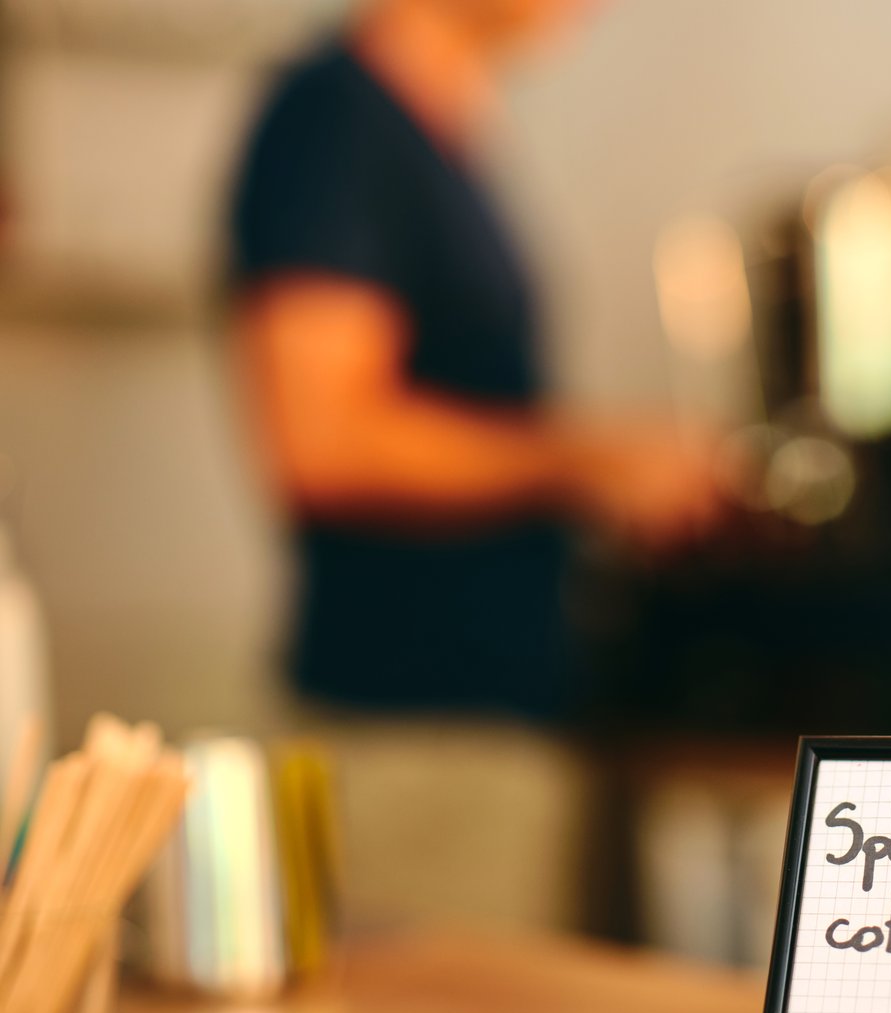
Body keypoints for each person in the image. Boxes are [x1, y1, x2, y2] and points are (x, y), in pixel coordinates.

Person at [229, 0, 720, 927]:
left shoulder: (442, 124)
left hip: (493, 721)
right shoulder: (336, 121)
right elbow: (320, 440)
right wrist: (589, 460)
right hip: (412, 734)